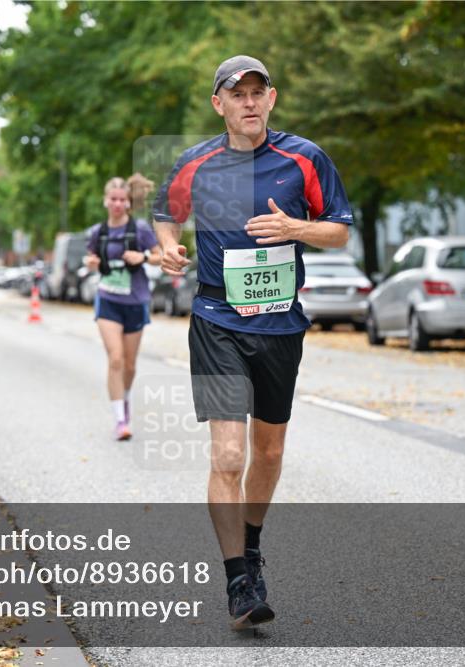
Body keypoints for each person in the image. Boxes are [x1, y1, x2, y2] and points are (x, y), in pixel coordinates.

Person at [153, 55, 353, 629]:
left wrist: (294, 228)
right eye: (235, 93)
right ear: (218, 103)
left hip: (280, 323)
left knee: (267, 453)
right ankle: (238, 578)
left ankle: (253, 544)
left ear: (272, 99)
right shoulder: (195, 163)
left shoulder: (305, 158)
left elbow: (337, 231)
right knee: (229, 455)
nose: (247, 101)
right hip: (216, 317)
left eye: (256, 91)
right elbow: (165, 212)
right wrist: (168, 245)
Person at [85, 177, 162, 441]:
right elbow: (91, 257)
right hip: (108, 299)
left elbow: (160, 256)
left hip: (135, 301)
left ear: (128, 202)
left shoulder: (139, 229)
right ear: (106, 200)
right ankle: (120, 419)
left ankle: (125, 399)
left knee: (129, 365)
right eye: (113, 199)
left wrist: (142, 257)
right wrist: (92, 262)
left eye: (122, 199)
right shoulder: (98, 232)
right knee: (115, 358)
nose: (117, 204)